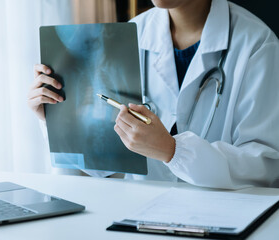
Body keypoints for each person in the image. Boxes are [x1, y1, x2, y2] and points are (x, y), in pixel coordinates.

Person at [27, 0, 279, 189]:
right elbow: (103, 165)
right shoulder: (131, 33)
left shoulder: (257, 45)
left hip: (225, 218)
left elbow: (265, 167)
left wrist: (173, 151)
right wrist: (56, 117)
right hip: (142, 216)